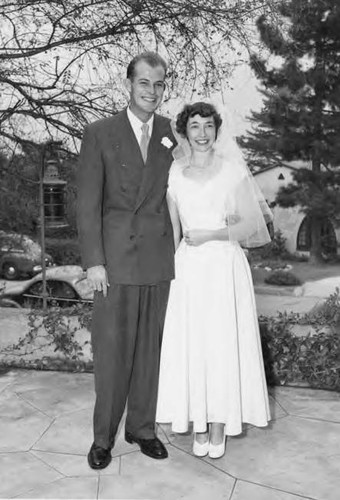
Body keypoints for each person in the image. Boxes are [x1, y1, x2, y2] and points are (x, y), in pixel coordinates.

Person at [156, 102, 272, 459]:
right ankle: (200, 423)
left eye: (208, 126)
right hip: (189, 269)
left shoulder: (231, 171)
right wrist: (174, 265)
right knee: (195, 343)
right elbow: (174, 228)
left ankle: (221, 424)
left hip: (223, 265)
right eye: (195, 126)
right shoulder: (174, 172)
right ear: (185, 131)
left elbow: (249, 225)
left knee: (222, 343)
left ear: (216, 131)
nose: (202, 133)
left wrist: (210, 235)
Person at [77, 51, 176, 470]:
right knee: (113, 352)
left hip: (158, 258)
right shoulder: (100, 133)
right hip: (114, 263)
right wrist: (93, 261)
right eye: (144, 83)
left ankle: (143, 428)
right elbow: (87, 204)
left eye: (158, 84)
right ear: (128, 85)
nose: (151, 92)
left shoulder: (174, 133)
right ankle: (103, 438)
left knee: (151, 352)